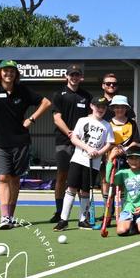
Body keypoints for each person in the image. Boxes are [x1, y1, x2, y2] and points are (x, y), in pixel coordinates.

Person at [0, 60, 51, 229]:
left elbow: (46, 102)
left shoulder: (22, 90)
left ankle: (11, 216)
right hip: (1, 142)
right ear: (0, 73)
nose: (9, 74)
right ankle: (4, 216)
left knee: (15, 179)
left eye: (12, 71)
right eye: (6, 71)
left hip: (21, 142)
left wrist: (31, 119)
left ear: (16, 74)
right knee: (2, 177)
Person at [53, 96, 114, 231]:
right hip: (78, 159)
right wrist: (87, 148)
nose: (100, 109)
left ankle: (83, 220)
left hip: (94, 163)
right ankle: (64, 219)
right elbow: (74, 138)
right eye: (98, 106)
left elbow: (109, 143)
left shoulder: (107, 125)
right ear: (92, 106)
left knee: (85, 190)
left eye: (103, 107)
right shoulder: (83, 120)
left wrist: (99, 152)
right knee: (71, 188)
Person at [49, 64, 92, 223]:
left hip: (82, 144)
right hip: (63, 142)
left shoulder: (86, 96)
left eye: (77, 75)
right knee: (62, 175)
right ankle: (59, 212)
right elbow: (56, 118)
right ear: (66, 76)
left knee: (82, 179)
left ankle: (84, 215)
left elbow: (90, 119)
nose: (74, 77)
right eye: (71, 75)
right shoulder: (59, 95)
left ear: (81, 77)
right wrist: (69, 132)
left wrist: (83, 139)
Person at [104, 95, 140, 222]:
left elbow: (136, 141)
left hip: (127, 159)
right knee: (111, 187)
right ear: (113, 108)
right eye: (117, 107)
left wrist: (125, 150)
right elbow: (105, 142)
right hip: (111, 158)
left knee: (127, 188)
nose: (119, 110)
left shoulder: (132, 123)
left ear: (126, 109)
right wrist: (113, 151)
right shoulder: (107, 123)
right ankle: (107, 217)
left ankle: (126, 216)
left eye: (122, 107)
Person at [114, 145, 140, 237]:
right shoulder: (123, 173)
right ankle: (132, 223)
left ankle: (139, 223)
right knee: (121, 231)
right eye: (131, 158)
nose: (134, 161)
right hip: (129, 208)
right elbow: (110, 179)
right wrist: (110, 161)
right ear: (127, 160)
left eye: (137, 158)